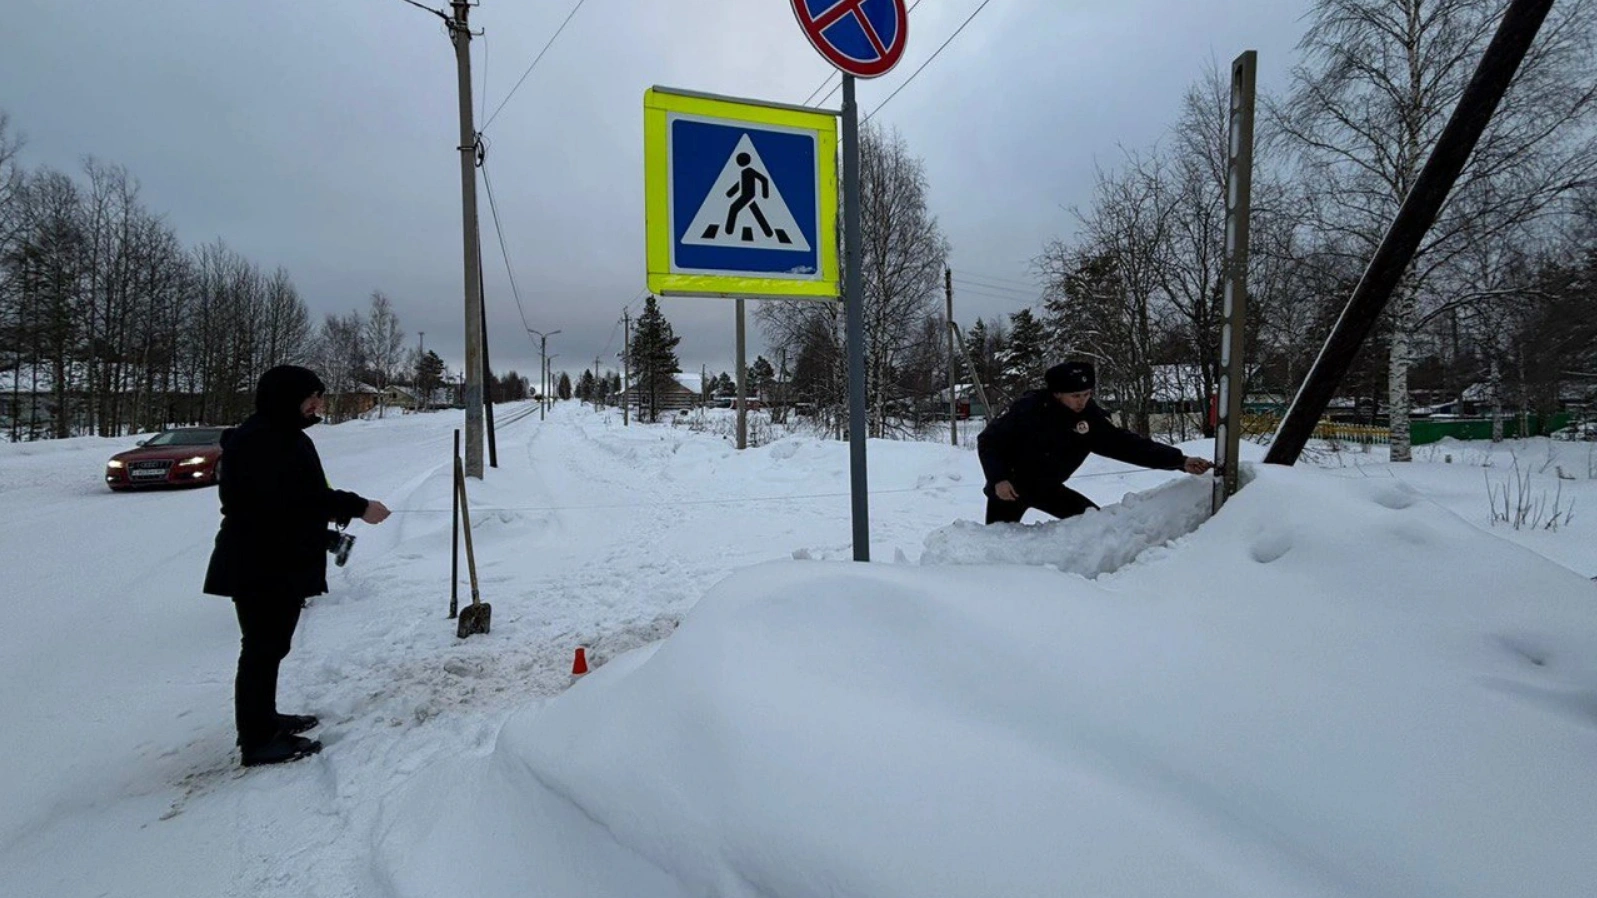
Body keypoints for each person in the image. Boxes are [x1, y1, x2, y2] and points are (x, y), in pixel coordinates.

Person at [204, 365, 391, 767]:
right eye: (313, 397)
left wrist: (326, 534)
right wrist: (359, 508)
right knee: (261, 648)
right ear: (286, 398)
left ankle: (266, 719)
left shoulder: (281, 435)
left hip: (274, 558)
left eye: (319, 397)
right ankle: (256, 740)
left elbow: (292, 505)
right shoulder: (263, 441)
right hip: (259, 562)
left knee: (271, 646)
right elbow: (299, 501)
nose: (319, 404)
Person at [977, 361, 1213, 525]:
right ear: (1057, 394)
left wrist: (1180, 461)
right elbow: (989, 441)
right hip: (1010, 488)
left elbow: (1125, 444)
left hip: (1049, 488)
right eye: (1075, 396)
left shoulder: (1089, 417)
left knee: (1096, 526)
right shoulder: (1027, 409)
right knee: (998, 543)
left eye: (1087, 394)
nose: (1082, 401)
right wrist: (998, 479)